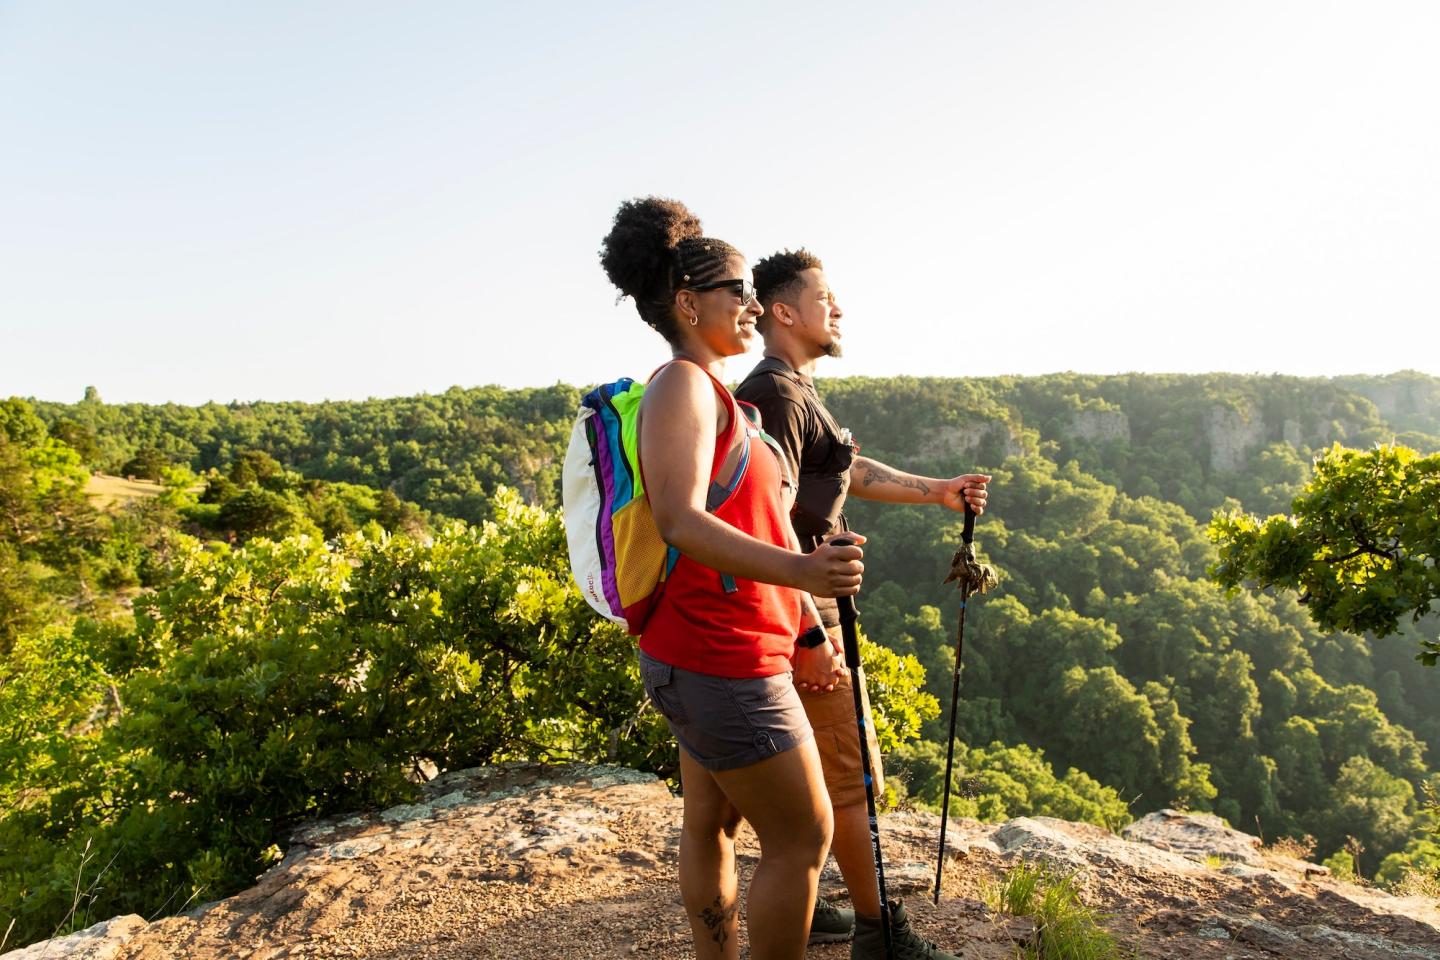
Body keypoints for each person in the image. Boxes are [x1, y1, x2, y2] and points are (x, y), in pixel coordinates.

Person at [599, 199, 867, 960]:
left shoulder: (724, 398)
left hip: (725, 651)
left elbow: (766, 522)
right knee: (803, 837)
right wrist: (806, 572)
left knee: (712, 822)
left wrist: (807, 628)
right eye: (736, 291)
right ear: (687, 303)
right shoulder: (681, 386)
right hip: (719, 659)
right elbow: (683, 520)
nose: (752, 305)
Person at [736, 247, 991, 960]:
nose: (838, 308)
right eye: (826, 297)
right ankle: (882, 935)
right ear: (785, 311)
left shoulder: (791, 392)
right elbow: (769, 519)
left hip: (795, 615)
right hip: (805, 617)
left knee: (810, 768)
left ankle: (806, 899)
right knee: (846, 777)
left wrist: (937, 489)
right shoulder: (779, 396)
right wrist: (809, 635)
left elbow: (846, 468)